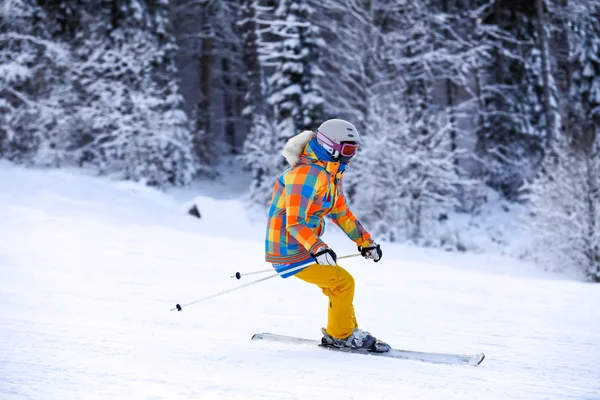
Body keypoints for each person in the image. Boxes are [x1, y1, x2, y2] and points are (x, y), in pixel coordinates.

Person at [264, 119, 389, 352]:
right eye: (348, 149)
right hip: (290, 248)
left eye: (354, 149)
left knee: (338, 285)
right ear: (331, 146)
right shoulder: (306, 174)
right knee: (343, 282)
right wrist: (318, 247)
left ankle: (342, 332)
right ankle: (342, 335)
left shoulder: (330, 174)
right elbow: (294, 221)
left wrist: (365, 242)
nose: (351, 156)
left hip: (304, 245)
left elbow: (341, 212)